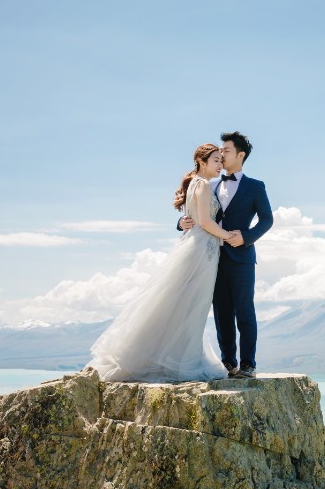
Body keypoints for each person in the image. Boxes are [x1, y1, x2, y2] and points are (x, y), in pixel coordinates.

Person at [86, 144, 236, 382]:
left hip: (198, 247)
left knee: (183, 304)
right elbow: (206, 222)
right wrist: (228, 236)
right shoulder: (204, 184)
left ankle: (176, 356)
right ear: (201, 161)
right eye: (216, 160)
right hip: (201, 250)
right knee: (192, 305)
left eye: (221, 160)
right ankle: (183, 360)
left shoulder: (194, 183)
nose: (220, 165)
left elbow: (195, 219)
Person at [179, 131, 273, 379]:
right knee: (221, 314)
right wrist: (181, 222)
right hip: (213, 259)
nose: (221, 155)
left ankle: (248, 365)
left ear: (241, 155)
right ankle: (228, 363)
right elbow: (195, 212)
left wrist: (247, 237)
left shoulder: (255, 186)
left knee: (244, 311)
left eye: (226, 151)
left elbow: (267, 219)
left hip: (242, 257)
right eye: (219, 152)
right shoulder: (210, 184)